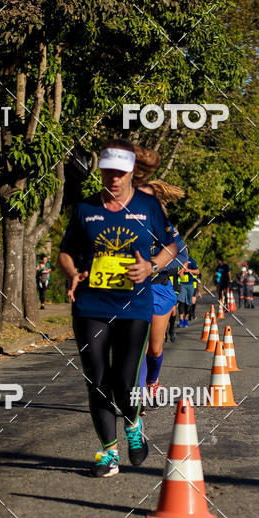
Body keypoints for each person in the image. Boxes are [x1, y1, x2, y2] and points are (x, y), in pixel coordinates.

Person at [59, 140, 179, 477]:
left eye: (120, 173)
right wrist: (73, 272)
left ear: (131, 172)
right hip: (91, 304)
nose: (114, 179)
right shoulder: (84, 208)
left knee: (125, 381)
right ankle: (108, 453)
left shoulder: (147, 206)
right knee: (97, 380)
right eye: (108, 172)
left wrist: (152, 266)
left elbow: (171, 246)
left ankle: (134, 422)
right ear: (101, 172)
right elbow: (66, 251)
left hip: (134, 305)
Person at [133, 174, 188, 404]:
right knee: (138, 347)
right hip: (132, 292)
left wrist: (155, 266)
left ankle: (153, 382)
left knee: (154, 348)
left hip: (159, 289)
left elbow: (182, 256)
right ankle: (139, 398)